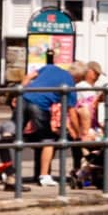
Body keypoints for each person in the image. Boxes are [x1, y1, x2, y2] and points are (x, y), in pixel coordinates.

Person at [17, 44, 78, 186]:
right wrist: (78, 132)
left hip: (24, 98)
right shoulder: (70, 81)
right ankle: (44, 176)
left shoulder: (49, 68)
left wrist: (21, 91)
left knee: (15, 136)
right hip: (39, 105)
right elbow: (71, 110)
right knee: (48, 139)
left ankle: (9, 173)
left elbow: (29, 76)